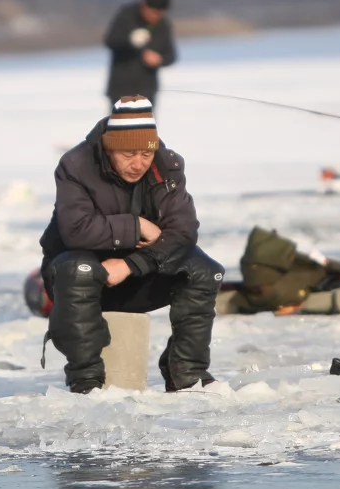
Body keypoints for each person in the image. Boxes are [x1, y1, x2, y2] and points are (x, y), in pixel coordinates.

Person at [39, 95, 222, 393]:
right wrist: (136, 226)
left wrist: (130, 264)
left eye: (146, 154)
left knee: (204, 270)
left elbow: (183, 230)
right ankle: (85, 379)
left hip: (136, 271)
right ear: (110, 147)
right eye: (127, 155)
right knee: (80, 269)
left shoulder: (167, 165)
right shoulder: (75, 165)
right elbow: (76, 230)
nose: (138, 164)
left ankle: (187, 373)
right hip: (78, 278)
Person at [103, 0, 177, 107]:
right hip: (120, 89)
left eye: (159, 14)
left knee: (145, 125)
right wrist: (130, 42)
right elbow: (110, 41)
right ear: (144, 5)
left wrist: (159, 59)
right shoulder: (126, 16)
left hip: (147, 90)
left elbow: (171, 56)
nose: (155, 17)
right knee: (119, 125)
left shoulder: (163, 24)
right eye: (152, 12)